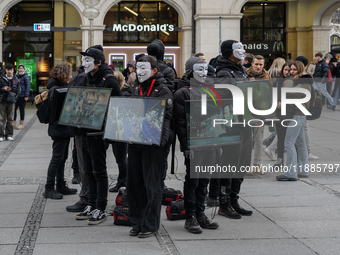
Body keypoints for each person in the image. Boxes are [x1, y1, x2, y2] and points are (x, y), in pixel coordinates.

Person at [74, 46, 122, 225]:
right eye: (83, 60)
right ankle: (91, 203)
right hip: (85, 130)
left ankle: (100, 207)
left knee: (99, 170)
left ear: (98, 63)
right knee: (87, 169)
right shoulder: (88, 77)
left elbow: (118, 105)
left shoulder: (108, 79)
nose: (84, 63)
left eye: (88, 60)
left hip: (99, 132)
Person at [127, 55, 173, 238]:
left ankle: (150, 224)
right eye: (138, 68)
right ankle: (137, 221)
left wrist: (159, 141)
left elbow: (166, 119)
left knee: (152, 186)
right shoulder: (136, 88)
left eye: (144, 68)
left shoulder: (163, 91)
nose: (140, 72)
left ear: (154, 70)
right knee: (134, 184)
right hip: (136, 143)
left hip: (153, 146)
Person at [174, 56, 219, 234]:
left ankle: (200, 213)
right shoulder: (182, 93)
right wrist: (186, 146)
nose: (204, 73)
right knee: (193, 181)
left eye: (205, 69)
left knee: (205, 179)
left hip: (209, 143)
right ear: (191, 70)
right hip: (194, 144)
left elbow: (217, 118)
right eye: (199, 69)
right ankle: (190, 216)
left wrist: (219, 141)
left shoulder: (210, 90)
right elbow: (180, 123)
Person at [213, 39, 253, 218]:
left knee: (242, 163)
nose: (243, 50)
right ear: (230, 52)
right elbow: (220, 97)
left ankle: (234, 199)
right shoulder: (224, 71)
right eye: (239, 48)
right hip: (232, 124)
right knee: (229, 163)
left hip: (245, 122)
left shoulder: (240, 70)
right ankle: (224, 203)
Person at [43, 63, 77, 199]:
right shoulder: (56, 89)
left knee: (63, 157)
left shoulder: (61, 87)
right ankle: (49, 188)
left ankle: (61, 185)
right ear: (63, 74)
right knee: (57, 158)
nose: (71, 76)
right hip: (59, 128)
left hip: (63, 128)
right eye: (69, 74)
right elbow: (58, 111)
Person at [276, 61, 311, 181]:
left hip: (296, 115)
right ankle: (303, 170)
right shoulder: (298, 81)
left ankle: (291, 173)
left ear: (300, 70)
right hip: (298, 115)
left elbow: (292, 96)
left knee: (289, 143)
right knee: (301, 144)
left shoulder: (303, 81)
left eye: (294, 69)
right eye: (290, 69)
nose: (291, 72)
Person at [246, 55, 272, 174]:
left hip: (259, 113)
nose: (258, 67)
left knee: (258, 140)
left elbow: (267, 95)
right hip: (246, 112)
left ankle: (257, 164)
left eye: (261, 64)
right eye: (256, 64)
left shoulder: (266, 77)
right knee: (246, 140)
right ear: (252, 64)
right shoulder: (245, 74)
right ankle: (246, 165)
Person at [108, 70, 129, 193]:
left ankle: (123, 182)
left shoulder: (123, 94)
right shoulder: (123, 93)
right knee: (119, 158)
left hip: (120, 131)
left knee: (121, 159)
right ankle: (122, 181)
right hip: (116, 130)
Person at [268, 63, 291, 168]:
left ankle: (292, 162)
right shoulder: (278, 80)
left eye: (289, 70)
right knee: (281, 137)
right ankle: (279, 160)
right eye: (285, 69)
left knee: (291, 140)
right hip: (279, 112)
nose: (287, 72)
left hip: (291, 113)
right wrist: (276, 102)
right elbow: (271, 93)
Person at [0, 63, 21, 142]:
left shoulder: (16, 79)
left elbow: (19, 91)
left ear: (13, 70)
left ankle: (9, 134)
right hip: (2, 101)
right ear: (6, 70)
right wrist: (3, 89)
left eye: (11, 70)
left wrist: (14, 99)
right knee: (1, 119)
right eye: (8, 70)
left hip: (11, 102)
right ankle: (1, 135)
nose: (9, 71)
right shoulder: (1, 78)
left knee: (10, 119)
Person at [14, 64, 30, 130]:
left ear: (23, 69)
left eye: (21, 68)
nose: (20, 69)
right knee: (14, 109)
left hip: (22, 95)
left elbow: (28, 86)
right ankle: (13, 123)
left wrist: (26, 95)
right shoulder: (15, 75)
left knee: (21, 109)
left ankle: (21, 124)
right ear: (17, 69)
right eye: (19, 68)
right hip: (16, 96)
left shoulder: (26, 76)